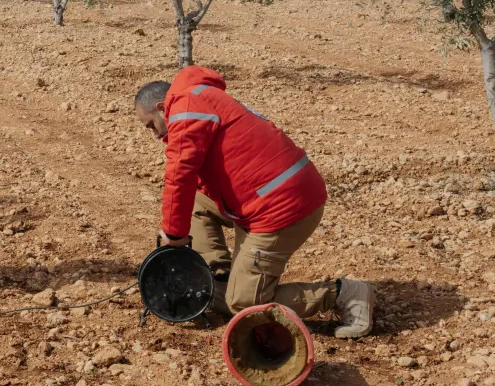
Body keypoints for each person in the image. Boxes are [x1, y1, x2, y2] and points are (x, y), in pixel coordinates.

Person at [134, 65, 373, 338]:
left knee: (243, 304)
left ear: (162, 107)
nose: (154, 135)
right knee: (196, 204)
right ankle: (220, 276)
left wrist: (175, 236)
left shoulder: (186, 107)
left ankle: (344, 295)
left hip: (282, 208)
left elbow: (180, 173)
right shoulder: (199, 96)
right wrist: (174, 226)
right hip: (271, 194)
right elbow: (194, 185)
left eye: (151, 125)